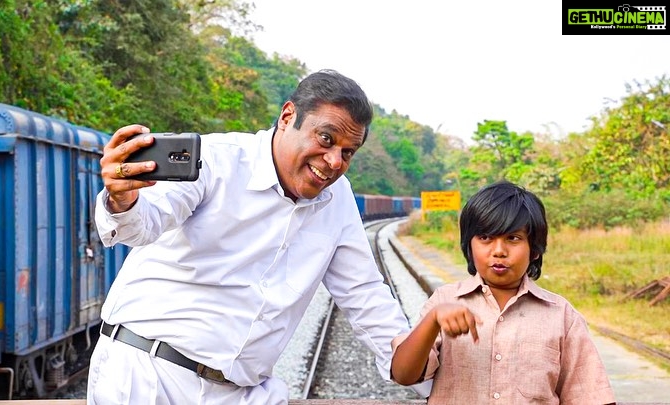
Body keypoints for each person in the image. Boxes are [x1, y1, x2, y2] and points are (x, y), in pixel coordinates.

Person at [88, 69, 420, 404]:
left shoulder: (339, 199)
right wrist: (122, 198)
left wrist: (418, 360)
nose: (334, 161)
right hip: (149, 376)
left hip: (241, 393)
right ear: (288, 117)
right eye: (326, 139)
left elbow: (363, 292)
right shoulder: (216, 159)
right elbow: (141, 225)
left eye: (348, 152)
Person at [390, 181, 616, 404]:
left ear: (535, 249)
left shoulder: (561, 315)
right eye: (485, 238)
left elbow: (590, 395)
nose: (498, 251)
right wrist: (432, 321)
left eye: (513, 238)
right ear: (469, 245)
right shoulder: (444, 300)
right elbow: (404, 375)